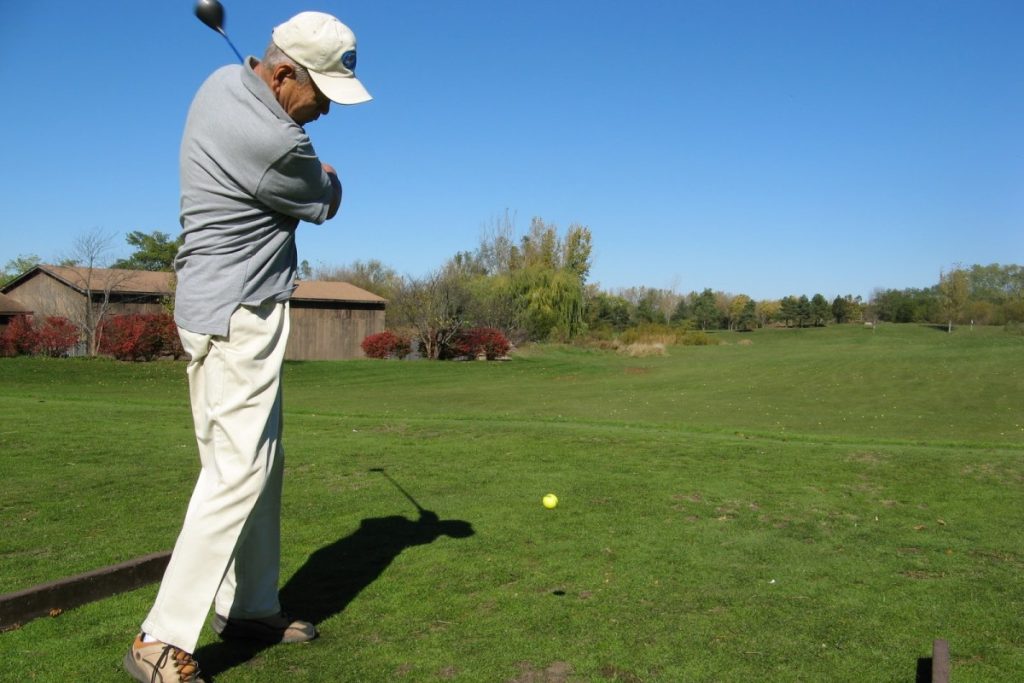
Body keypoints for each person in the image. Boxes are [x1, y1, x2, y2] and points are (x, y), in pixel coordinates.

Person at [124, 12, 371, 683]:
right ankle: (160, 638)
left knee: (260, 464)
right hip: (242, 313)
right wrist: (327, 174)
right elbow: (327, 197)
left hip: (209, 307)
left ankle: (250, 605)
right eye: (318, 91)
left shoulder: (218, 83)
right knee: (238, 472)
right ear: (283, 72)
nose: (323, 108)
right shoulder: (276, 144)